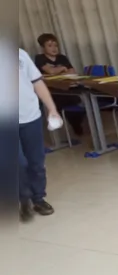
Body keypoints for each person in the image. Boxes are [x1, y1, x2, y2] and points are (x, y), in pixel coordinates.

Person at [18, 48, 58, 221]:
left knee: (36, 162)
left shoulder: (20, 54)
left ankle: (38, 198)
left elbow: (37, 82)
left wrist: (52, 108)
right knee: (18, 163)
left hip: (30, 116)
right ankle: (23, 197)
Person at [34, 33, 85, 136]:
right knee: (61, 104)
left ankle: (76, 125)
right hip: (51, 91)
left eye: (56, 45)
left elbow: (73, 72)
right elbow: (50, 71)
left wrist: (58, 70)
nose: (54, 48)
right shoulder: (39, 58)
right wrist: (62, 68)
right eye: (50, 45)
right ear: (43, 47)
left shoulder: (62, 58)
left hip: (67, 89)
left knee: (79, 104)